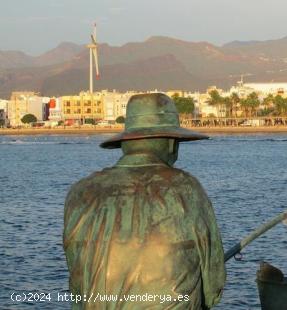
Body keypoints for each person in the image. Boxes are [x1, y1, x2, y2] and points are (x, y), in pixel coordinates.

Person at [63, 93, 225, 309]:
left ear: (125, 142)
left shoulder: (79, 193)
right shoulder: (186, 189)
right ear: (171, 144)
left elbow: (77, 287)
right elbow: (213, 288)